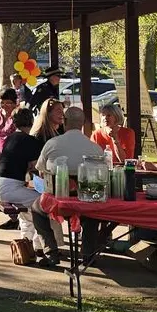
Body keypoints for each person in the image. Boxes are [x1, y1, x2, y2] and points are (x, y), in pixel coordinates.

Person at [31, 107, 100, 267]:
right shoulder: (95, 148)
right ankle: (88, 253)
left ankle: (50, 252)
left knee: (36, 209)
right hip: (86, 200)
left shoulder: (53, 143)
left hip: (58, 201)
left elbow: (41, 168)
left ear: (65, 122)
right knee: (93, 213)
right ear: (83, 123)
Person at [0, 108, 41, 235]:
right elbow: (36, 167)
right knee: (42, 201)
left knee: (29, 204)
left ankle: (27, 237)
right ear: (32, 121)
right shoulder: (30, 141)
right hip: (8, 188)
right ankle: (37, 241)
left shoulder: (10, 138)